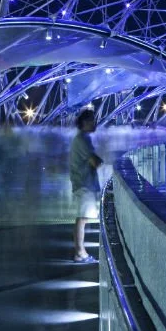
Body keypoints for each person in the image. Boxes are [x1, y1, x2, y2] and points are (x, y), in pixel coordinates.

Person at [70, 110, 103, 263]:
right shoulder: (82, 140)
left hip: (84, 183)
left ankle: (80, 252)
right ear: (84, 123)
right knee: (82, 219)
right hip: (84, 184)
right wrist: (99, 160)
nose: (95, 124)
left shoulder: (83, 139)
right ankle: (79, 253)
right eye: (92, 121)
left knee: (83, 218)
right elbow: (94, 162)